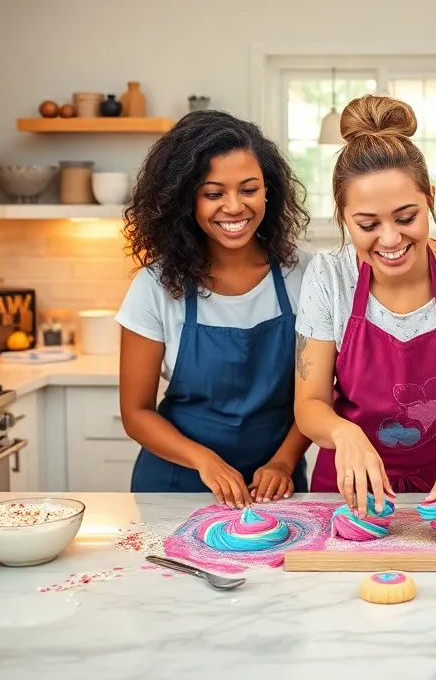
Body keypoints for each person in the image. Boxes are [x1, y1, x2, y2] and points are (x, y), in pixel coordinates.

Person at [294, 94, 436, 524]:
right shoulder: (328, 276)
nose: (390, 239)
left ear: (429, 198)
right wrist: (343, 432)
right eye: (368, 224)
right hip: (344, 490)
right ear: (343, 217)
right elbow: (309, 404)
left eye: (406, 217)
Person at [116, 110, 314, 505]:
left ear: (269, 190)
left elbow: (320, 393)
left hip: (275, 487)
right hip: (176, 484)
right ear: (184, 200)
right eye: (213, 193)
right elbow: (136, 413)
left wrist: (284, 461)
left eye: (248, 189)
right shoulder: (154, 287)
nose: (234, 207)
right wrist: (204, 461)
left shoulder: (306, 275)